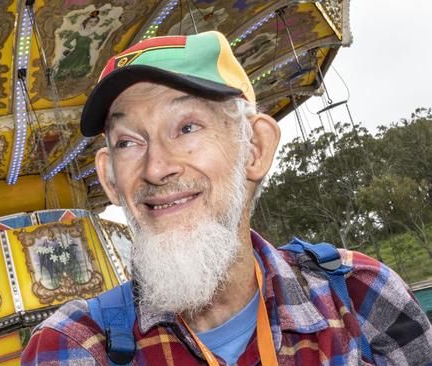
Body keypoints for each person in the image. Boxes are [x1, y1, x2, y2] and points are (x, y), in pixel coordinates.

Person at [22, 31, 432, 365]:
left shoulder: (360, 298)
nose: (155, 167)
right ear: (110, 180)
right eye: (128, 142)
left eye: (186, 128)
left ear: (254, 148)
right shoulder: (75, 347)